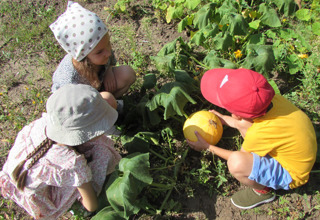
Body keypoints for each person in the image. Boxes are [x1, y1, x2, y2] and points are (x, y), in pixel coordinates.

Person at [187, 68, 317, 209]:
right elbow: (246, 121)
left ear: (237, 115)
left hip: (293, 174)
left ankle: (263, 192)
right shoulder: (274, 100)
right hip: (301, 148)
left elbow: (240, 157)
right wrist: (225, 119)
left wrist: (207, 147)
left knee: (237, 164)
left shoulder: (260, 132)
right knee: (246, 127)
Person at [0, 84, 122, 219]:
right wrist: (84, 198)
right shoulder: (72, 163)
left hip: (16, 178)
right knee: (102, 153)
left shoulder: (39, 125)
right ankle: (74, 208)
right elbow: (91, 205)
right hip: (44, 199)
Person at [49, 1, 136, 108]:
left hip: (98, 90)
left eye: (108, 43)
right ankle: (105, 113)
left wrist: (109, 71)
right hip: (78, 105)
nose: (108, 52)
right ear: (83, 57)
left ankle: (108, 106)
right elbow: (65, 105)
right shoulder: (68, 79)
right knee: (107, 98)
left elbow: (110, 60)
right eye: (99, 52)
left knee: (127, 73)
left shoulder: (102, 51)